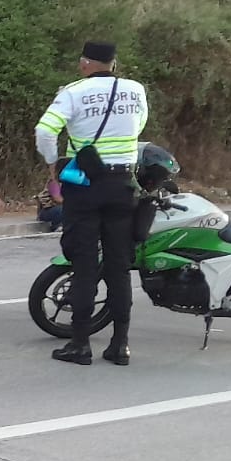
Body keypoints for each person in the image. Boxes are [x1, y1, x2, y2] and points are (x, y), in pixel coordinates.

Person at [36, 41, 149, 367]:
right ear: (113, 63)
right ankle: (120, 345)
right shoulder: (135, 90)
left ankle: (80, 344)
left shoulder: (73, 92)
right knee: (118, 266)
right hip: (123, 184)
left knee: (85, 265)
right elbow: (139, 125)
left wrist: (52, 164)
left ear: (85, 63)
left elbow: (45, 130)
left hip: (84, 185)